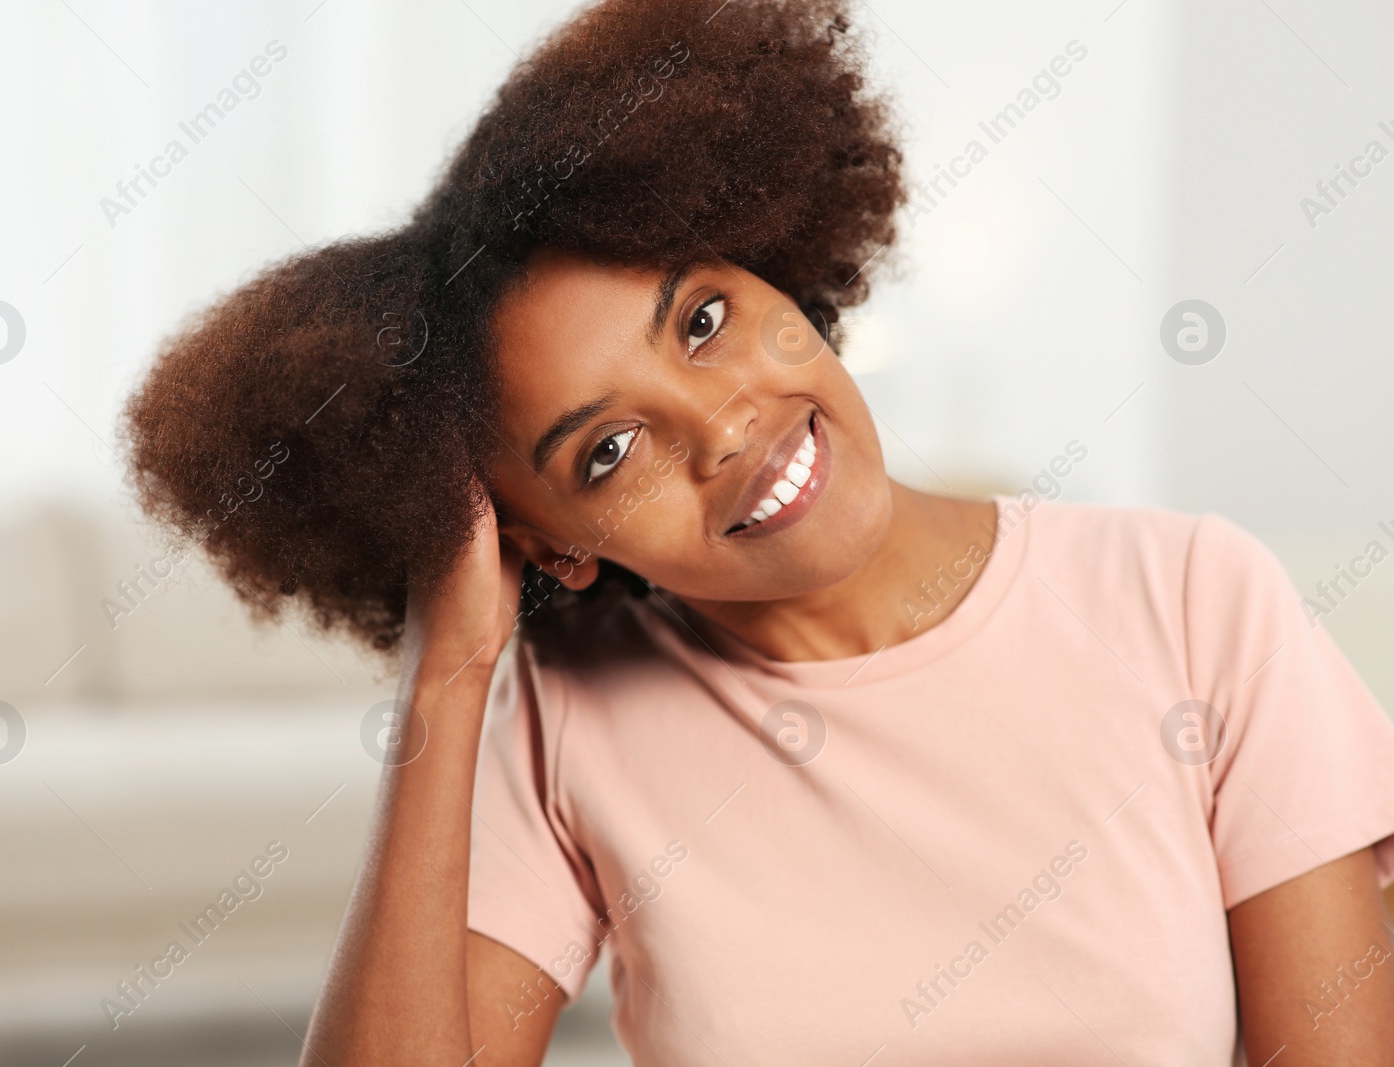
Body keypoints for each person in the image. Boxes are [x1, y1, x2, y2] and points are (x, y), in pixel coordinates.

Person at [119, 0, 1394, 1063]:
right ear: (549, 542)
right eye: (607, 452)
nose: (724, 428)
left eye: (705, 320)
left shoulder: (1189, 596)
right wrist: (446, 675)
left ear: (778, 263)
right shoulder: (570, 712)